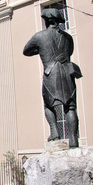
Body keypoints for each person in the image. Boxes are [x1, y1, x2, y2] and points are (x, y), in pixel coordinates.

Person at [23, 8, 82, 148]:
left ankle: (55, 132)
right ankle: (73, 139)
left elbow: (26, 50)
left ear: (46, 21)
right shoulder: (68, 38)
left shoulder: (39, 36)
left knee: (49, 105)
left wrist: (40, 49)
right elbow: (70, 51)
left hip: (50, 73)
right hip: (67, 73)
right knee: (71, 107)